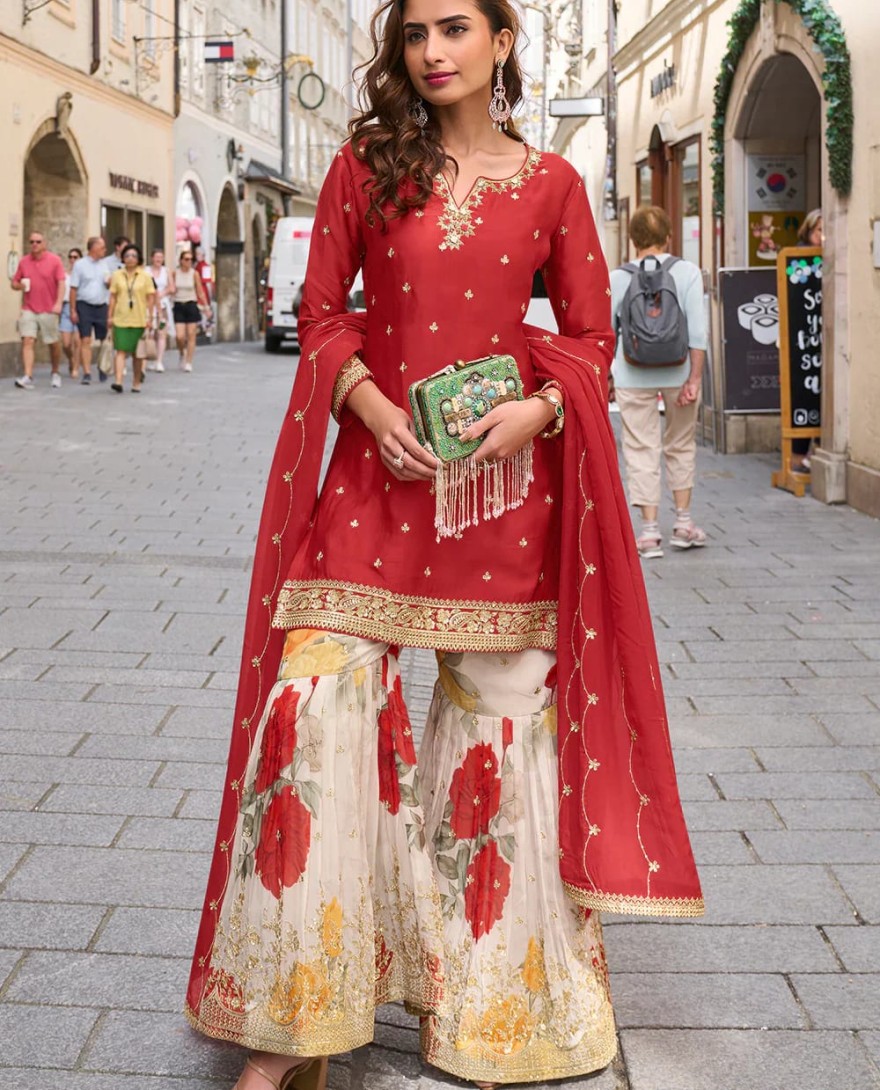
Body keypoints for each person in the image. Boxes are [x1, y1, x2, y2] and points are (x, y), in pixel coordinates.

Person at [185, 3, 703, 1089]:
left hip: (501, 498)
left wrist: (537, 412)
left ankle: (491, 1007)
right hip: (373, 486)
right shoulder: (364, 169)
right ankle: (293, 1022)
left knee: (497, 748)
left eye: (456, 28)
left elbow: (590, 337)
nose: (432, 51)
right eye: (416, 32)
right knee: (306, 718)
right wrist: (370, 405)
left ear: (502, 42)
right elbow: (323, 316)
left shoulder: (552, 185)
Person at [610, 205, 709, 559]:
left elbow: (607, 333)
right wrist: (694, 379)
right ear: (669, 236)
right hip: (679, 371)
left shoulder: (618, 277)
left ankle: (650, 533)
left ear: (633, 240)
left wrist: (607, 376)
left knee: (640, 448)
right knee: (680, 444)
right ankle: (683, 523)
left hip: (632, 372)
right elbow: (698, 333)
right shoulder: (687, 272)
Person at [11, 230, 66, 390]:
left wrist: (58, 303)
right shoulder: (24, 261)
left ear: (44, 244)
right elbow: (14, 283)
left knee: (53, 343)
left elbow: (61, 283)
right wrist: (20, 285)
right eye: (32, 242)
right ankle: (28, 375)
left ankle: (55, 372)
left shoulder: (55, 261)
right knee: (27, 340)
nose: (34, 244)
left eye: (38, 241)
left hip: (49, 308)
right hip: (29, 307)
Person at [791, 209, 824, 472]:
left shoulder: (832, 260)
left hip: (820, 338)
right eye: (820, 231)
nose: (823, 237)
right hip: (803, 340)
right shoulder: (798, 259)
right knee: (803, 393)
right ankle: (799, 456)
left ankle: (816, 452)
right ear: (809, 231)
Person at [107, 244, 156, 393]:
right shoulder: (117, 275)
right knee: (120, 351)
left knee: (137, 354)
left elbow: (150, 298)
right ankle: (118, 381)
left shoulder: (145, 276)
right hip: (121, 318)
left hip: (139, 319)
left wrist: (150, 317)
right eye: (127, 255)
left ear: (138, 258)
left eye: (134, 256)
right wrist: (110, 316)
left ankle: (136, 382)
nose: (130, 258)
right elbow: (113, 297)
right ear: (123, 258)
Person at [70, 236, 112, 386]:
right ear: (93, 248)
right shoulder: (80, 265)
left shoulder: (105, 264)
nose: (104, 250)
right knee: (85, 339)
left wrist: (109, 283)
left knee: (103, 340)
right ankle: (87, 372)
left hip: (101, 305)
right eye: (102, 247)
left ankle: (102, 366)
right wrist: (73, 310)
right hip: (84, 305)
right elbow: (73, 288)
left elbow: (108, 285)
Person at [170, 249, 208, 372]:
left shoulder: (194, 273)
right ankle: (182, 352)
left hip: (191, 304)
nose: (189, 262)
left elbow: (200, 291)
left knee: (191, 334)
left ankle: (189, 362)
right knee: (180, 336)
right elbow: (171, 288)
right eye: (186, 259)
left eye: (191, 259)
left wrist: (206, 307)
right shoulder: (175, 273)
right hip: (178, 304)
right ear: (181, 260)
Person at [146, 248, 174, 372]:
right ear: (152, 258)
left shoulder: (166, 271)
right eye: (156, 257)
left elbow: (172, 288)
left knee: (162, 332)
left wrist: (162, 293)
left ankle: (159, 361)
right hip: (149, 306)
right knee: (150, 333)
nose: (159, 259)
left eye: (161, 257)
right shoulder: (146, 271)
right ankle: (150, 357)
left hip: (163, 306)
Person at [60, 246, 83, 378]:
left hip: (80, 306)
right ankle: (71, 359)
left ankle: (76, 368)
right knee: (66, 343)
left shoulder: (83, 274)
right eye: (70, 257)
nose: (72, 259)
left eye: (75, 257)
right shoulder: (64, 275)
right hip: (66, 306)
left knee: (78, 341)